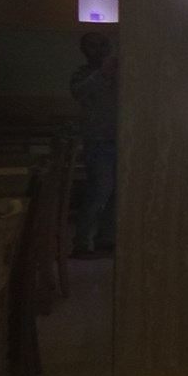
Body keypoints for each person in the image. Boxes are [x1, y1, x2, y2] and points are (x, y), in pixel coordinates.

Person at [70, 31, 119, 258]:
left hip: (123, 140)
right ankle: (83, 242)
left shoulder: (123, 75)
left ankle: (106, 238)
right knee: (99, 190)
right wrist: (101, 74)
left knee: (117, 192)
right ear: (83, 50)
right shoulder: (81, 75)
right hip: (98, 142)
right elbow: (79, 94)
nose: (98, 50)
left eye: (103, 45)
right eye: (92, 46)